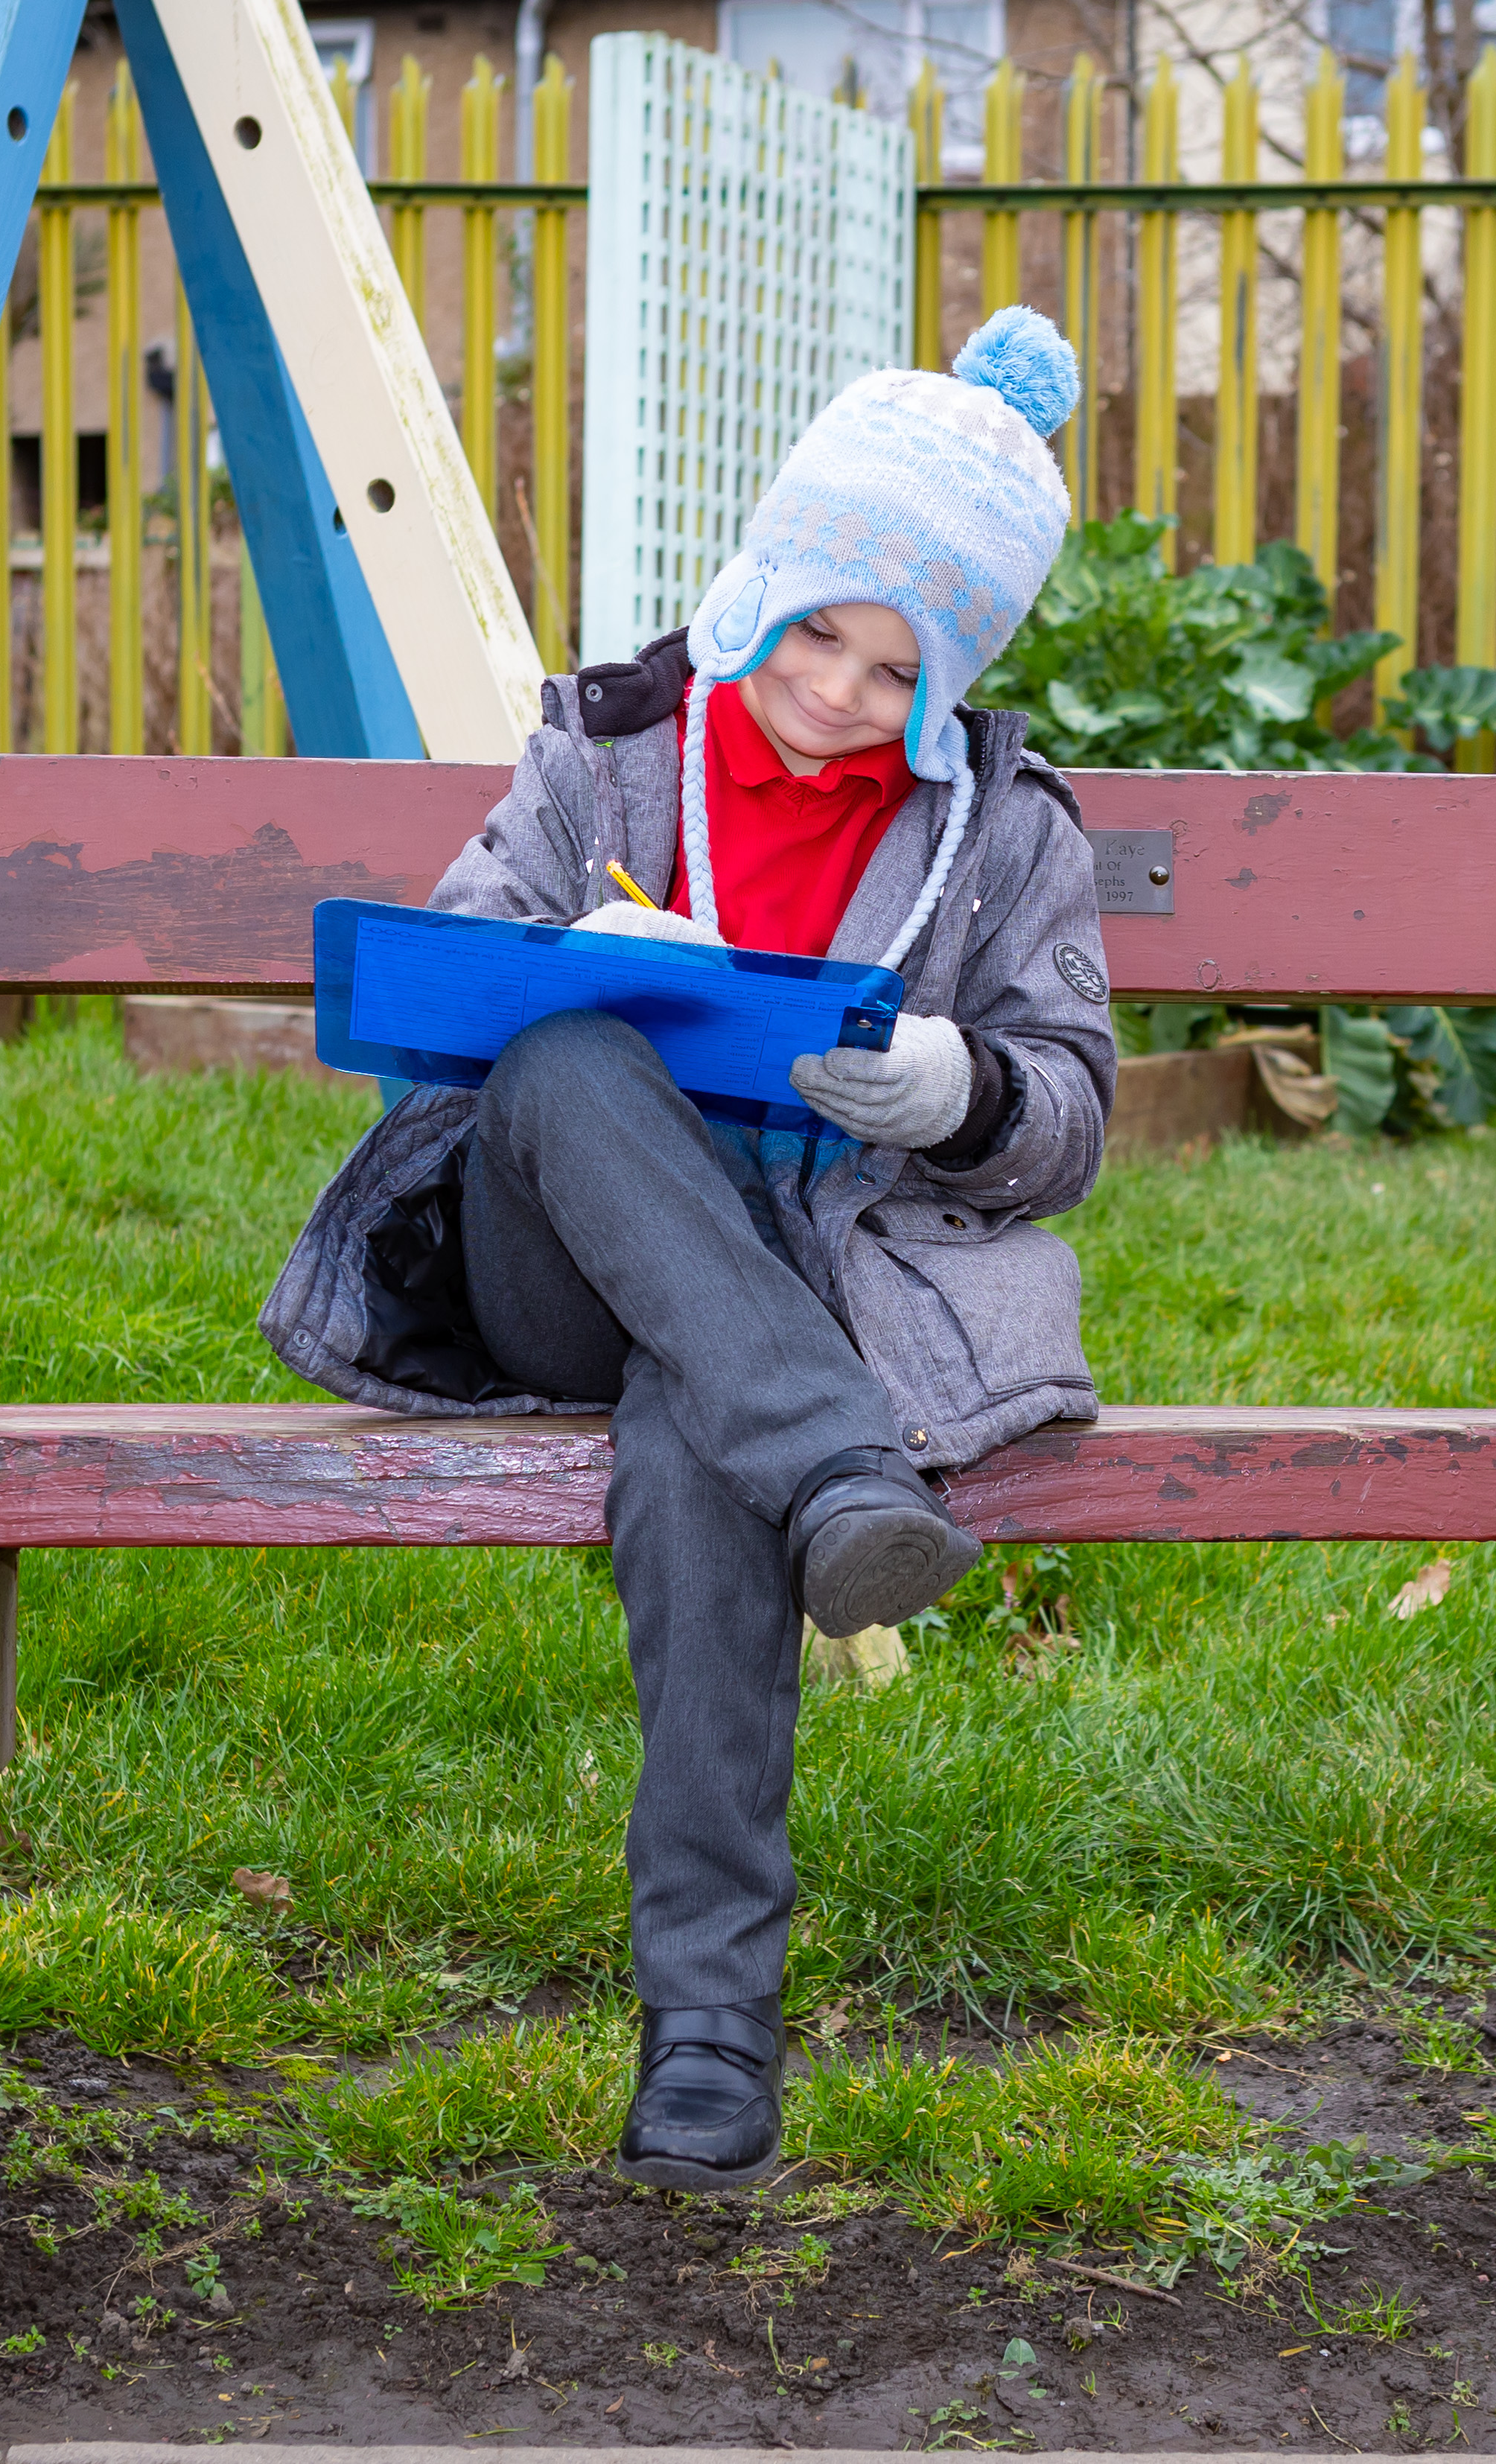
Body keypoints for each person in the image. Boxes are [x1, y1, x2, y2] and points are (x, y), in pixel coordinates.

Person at [262, 307, 1114, 2193]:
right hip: (551, 1250)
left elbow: (1070, 1114)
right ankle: (841, 1471)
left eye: (898, 673)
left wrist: (959, 1086)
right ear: (759, 583)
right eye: (817, 629)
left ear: (952, 678)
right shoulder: (609, 750)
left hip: (794, 1290)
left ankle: (711, 2031)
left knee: (692, 1434)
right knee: (570, 1051)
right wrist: (558, 974)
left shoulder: (1006, 833)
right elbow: (454, 988)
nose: (834, 693)